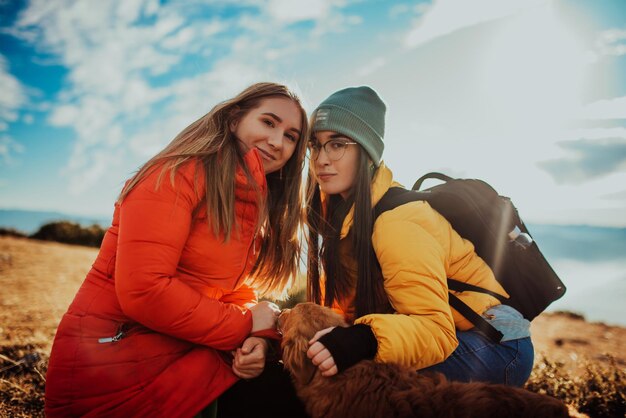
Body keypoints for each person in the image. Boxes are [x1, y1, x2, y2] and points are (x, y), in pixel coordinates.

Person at [45, 82, 309, 417]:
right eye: (268, 122)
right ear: (233, 120)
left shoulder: (248, 201)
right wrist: (245, 326)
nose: (277, 141)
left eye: (291, 136)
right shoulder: (173, 174)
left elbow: (229, 289)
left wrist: (256, 340)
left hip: (181, 354)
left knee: (299, 392)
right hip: (113, 369)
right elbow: (145, 290)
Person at [304, 86, 534, 387]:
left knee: (363, 380)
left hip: (497, 344)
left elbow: (435, 331)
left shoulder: (395, 222)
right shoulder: (345, 219)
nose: (321, 159)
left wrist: (363, 339)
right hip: (460, 334)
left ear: (367, 152)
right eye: (315, 145)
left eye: (337, 144)